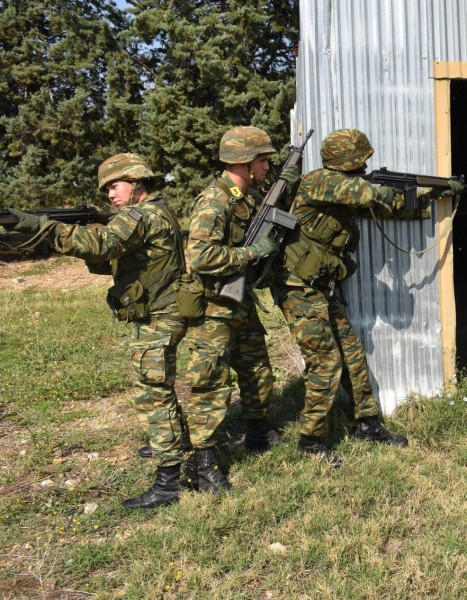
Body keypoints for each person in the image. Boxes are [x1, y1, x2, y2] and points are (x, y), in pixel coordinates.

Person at [6, 154, 190, 509]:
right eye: (105, 189)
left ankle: (169, 481)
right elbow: (112, 256)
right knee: (158, 387)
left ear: (137, 183)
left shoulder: (143, 215)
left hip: (158, 317)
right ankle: (171, 439)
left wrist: (37, 225)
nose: (109, 194)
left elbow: (102, 245)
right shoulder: (154, 212)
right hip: (162, 311)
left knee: (154, 392)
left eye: (114, 185)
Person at [273, 128, 459, 465]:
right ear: (353, 159)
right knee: (326, 363)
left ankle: (367, 424)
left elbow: (386, 208)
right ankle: (310, 440)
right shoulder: (321, 182)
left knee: (352, 354)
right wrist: (406, 187)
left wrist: (433, 194)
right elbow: (372, 196)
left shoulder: (340, 190)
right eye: (362, 158)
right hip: (298, 288)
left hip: (321, 285)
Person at [182, 126, 297, 491]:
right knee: (211, 384)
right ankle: (204, 464)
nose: (267, 165)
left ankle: (259, 435)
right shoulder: (214, 202)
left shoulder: (242, 195)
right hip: (213, 307)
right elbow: (199, 256)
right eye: (263, 160)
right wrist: (251, 253)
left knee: (257, 370)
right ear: (246, 163)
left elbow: (267, 208)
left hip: (240, 301)